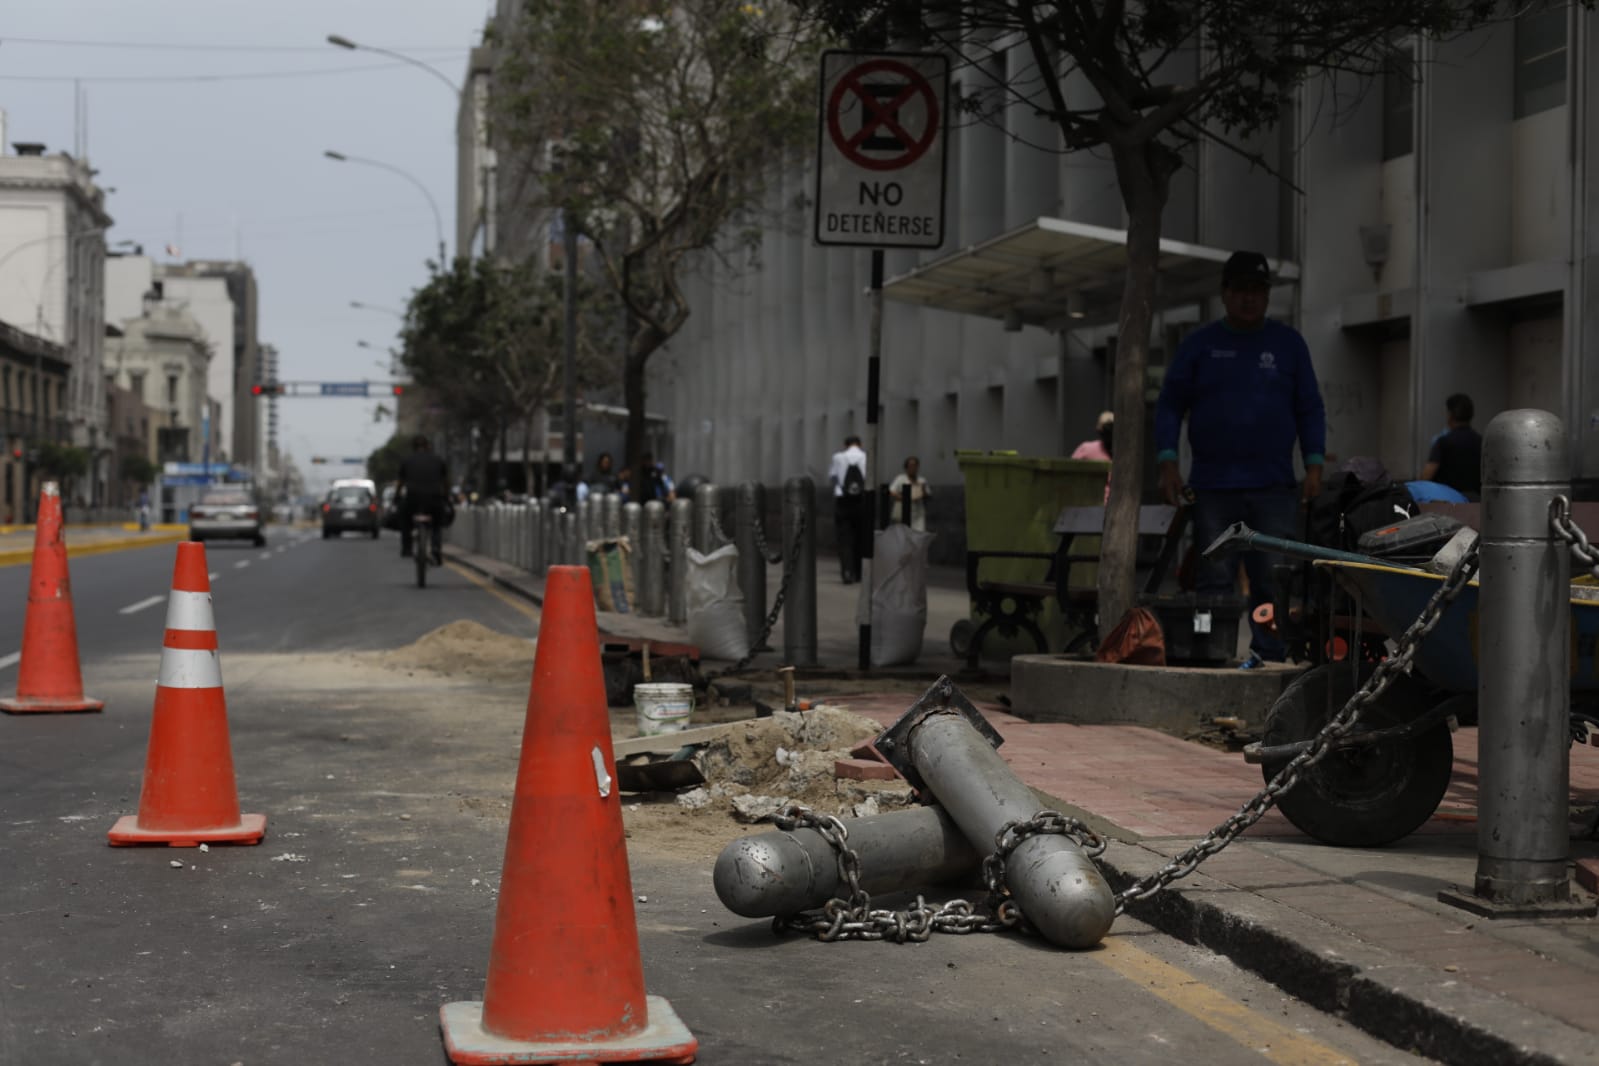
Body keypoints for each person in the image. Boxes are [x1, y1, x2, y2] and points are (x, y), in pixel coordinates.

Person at [1155, 250, 1326, 667]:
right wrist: (1167, 461)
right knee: (1214, 580)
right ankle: (1210, 653)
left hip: (1274, 488)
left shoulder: (1288, 345)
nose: (1250, 299)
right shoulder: (1200, 345)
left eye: (1258, 291)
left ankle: (1268, 656)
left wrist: (1315, 464)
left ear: (1267, 296)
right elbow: (1169, 405)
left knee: (1272, 579)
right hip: (1214, 487)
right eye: (1241, 290)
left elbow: (1310, 407)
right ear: (1225, 294)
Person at [397, 433, 450, 564]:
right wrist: (446, 497)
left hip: (413, 500)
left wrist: (396, 497)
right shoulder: (438, 460)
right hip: (434, 499)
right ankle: (436, 548)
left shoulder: (407, 460)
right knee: (437, 523)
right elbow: (446, 482)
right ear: (428, 446)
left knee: (404, 519)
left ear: (413, 447)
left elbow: (400, 482)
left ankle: (407, 548)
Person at [1420, 393, 1482, 499]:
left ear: (1450, 415)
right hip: (1477, 501)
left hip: (1448, 501)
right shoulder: (1482, 441)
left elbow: (1427, 475)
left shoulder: (1443, 442)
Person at [829, 434, 868, 583]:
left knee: (844, 539)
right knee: (860, 537)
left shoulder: (838, 457)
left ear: (846, 445)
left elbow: (832, 477)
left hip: (843, 500)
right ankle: (858, 572)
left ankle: (846, 571)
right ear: (859, 444)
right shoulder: (866, 456)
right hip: (861, 500)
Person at [887, 455, 931, 532]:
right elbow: (891, 491)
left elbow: (928, 495)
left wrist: (923, 491)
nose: (913, 468)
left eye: (915, 466)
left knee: (918, 535)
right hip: (903, 513)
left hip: (918, 514)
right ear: (906, 467)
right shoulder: (900, 479)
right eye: (910, 466)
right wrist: (903, 498)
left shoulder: (922, 480)